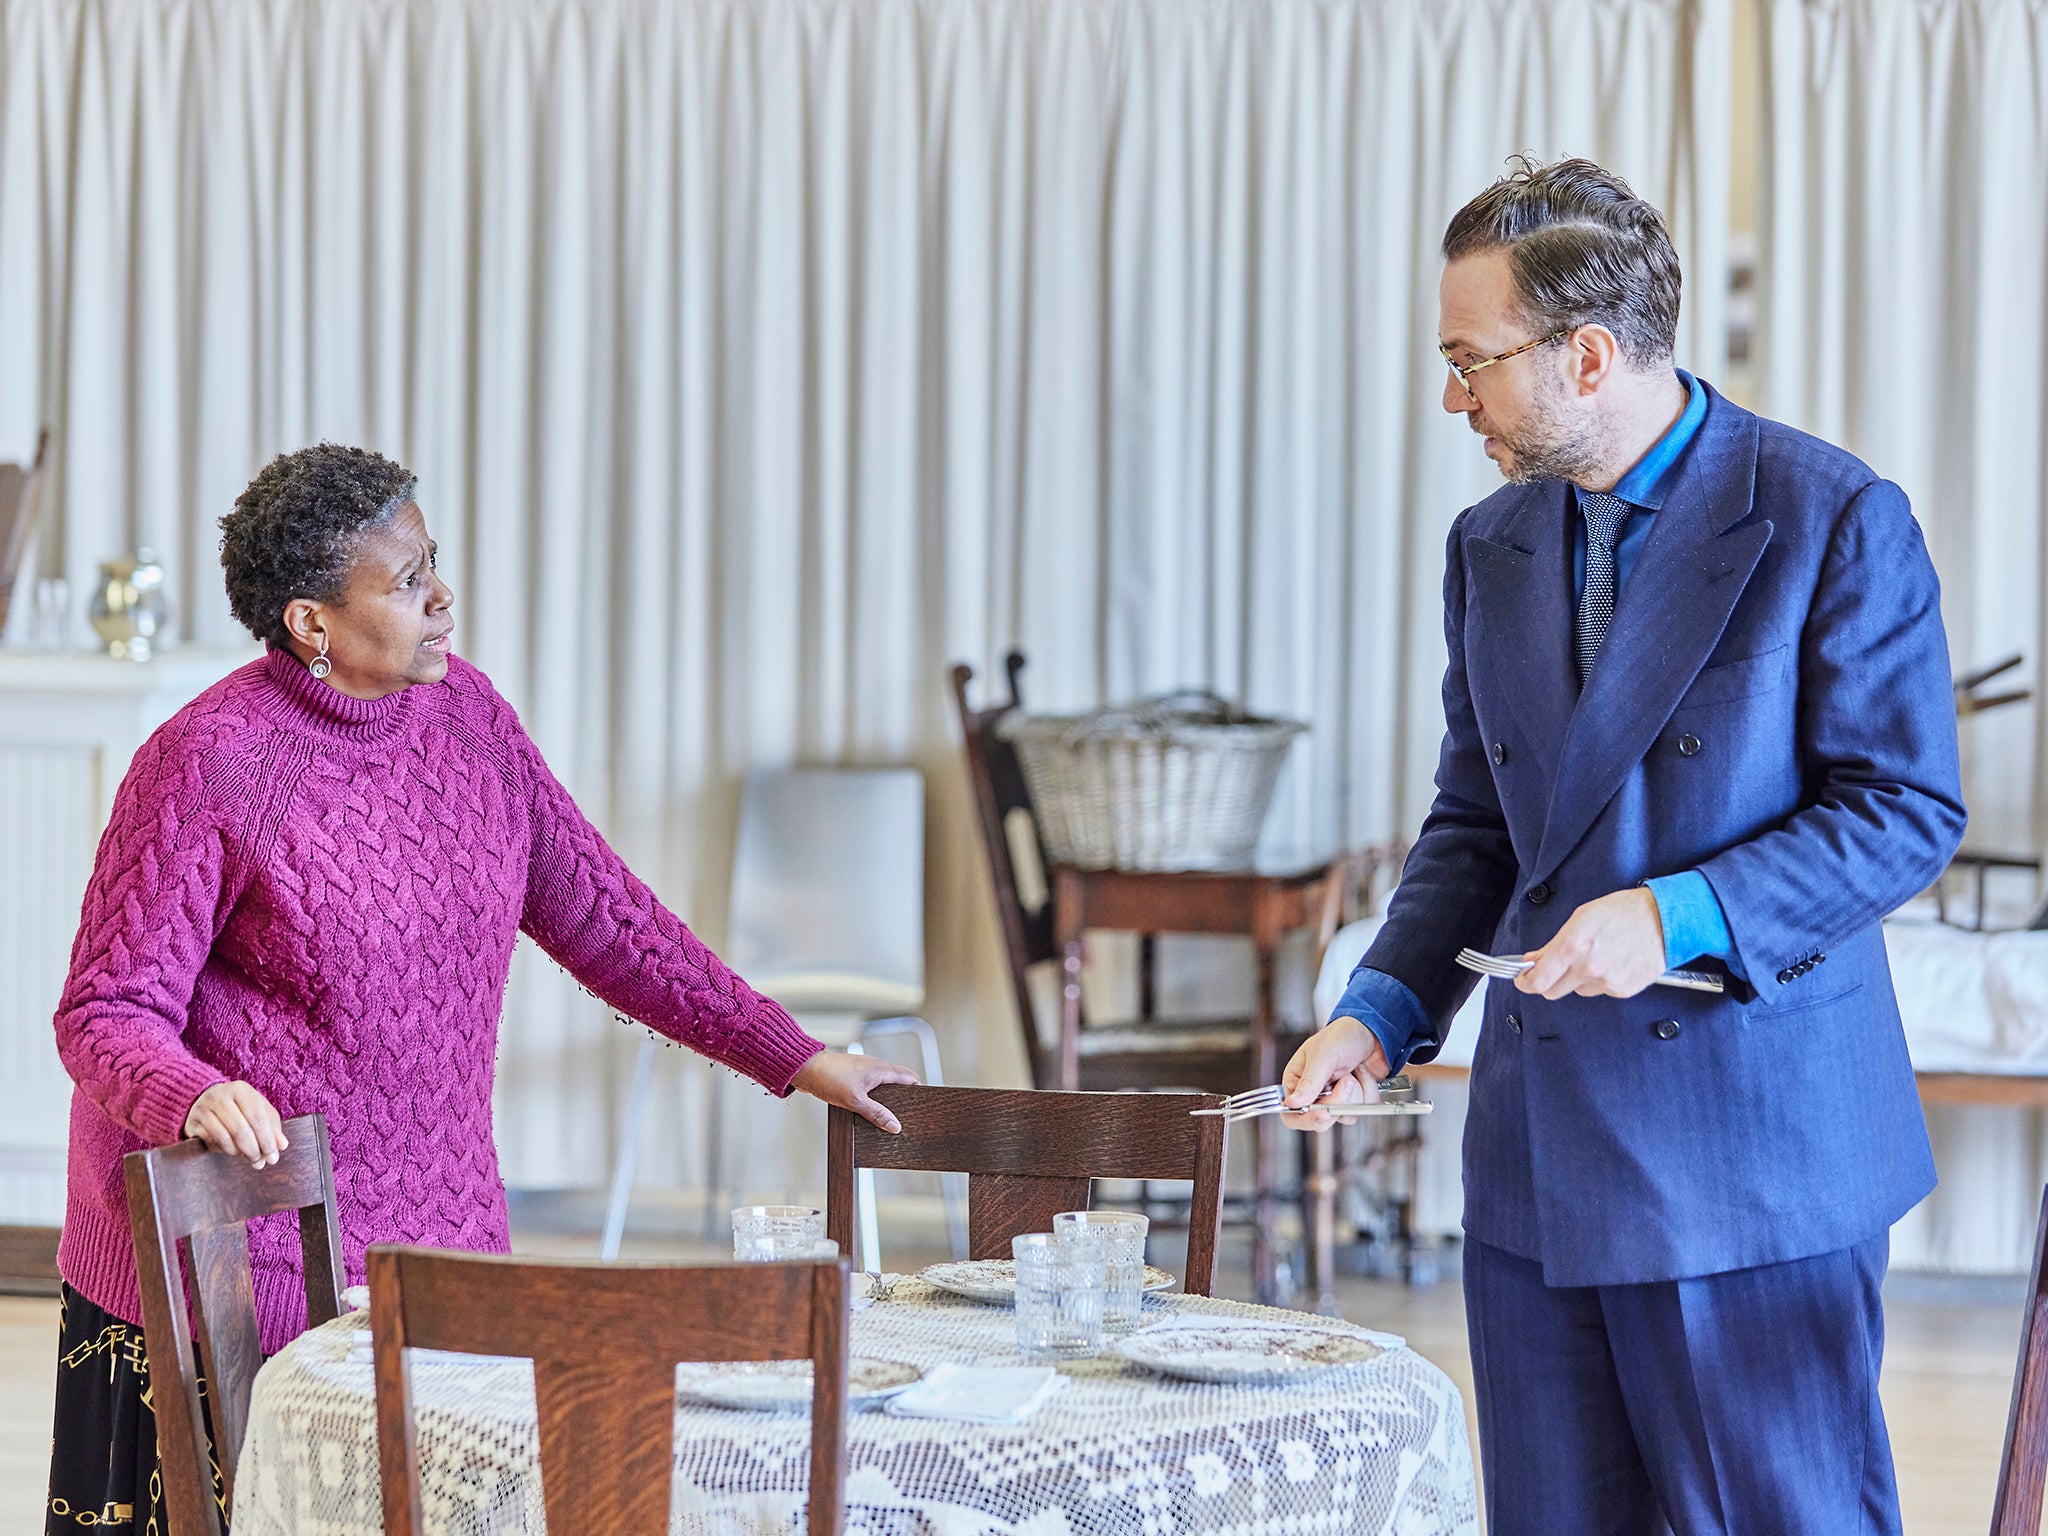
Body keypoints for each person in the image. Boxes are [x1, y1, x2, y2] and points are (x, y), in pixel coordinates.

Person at [44, 444, 913, 1534]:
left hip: (441, 1246)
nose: (442, 597)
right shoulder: (208, 763)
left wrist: (797, 1055)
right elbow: (105, 1009)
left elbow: (610, 920)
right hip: (239, 1261)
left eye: (433, 564)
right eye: (406, 582)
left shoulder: (469, 719)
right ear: (312, 624)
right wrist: (188, 1093)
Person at [1282, 158, 1965, 1534]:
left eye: (1473, 360)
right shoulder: (1492, 546)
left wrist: (1679, 914)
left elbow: (1905, 810)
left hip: (1751, 1159)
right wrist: (1383, 1007)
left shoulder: (1831, 517)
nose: (1453, 396)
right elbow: (1478, 821)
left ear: (1587, 355)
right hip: (1540, 1166)